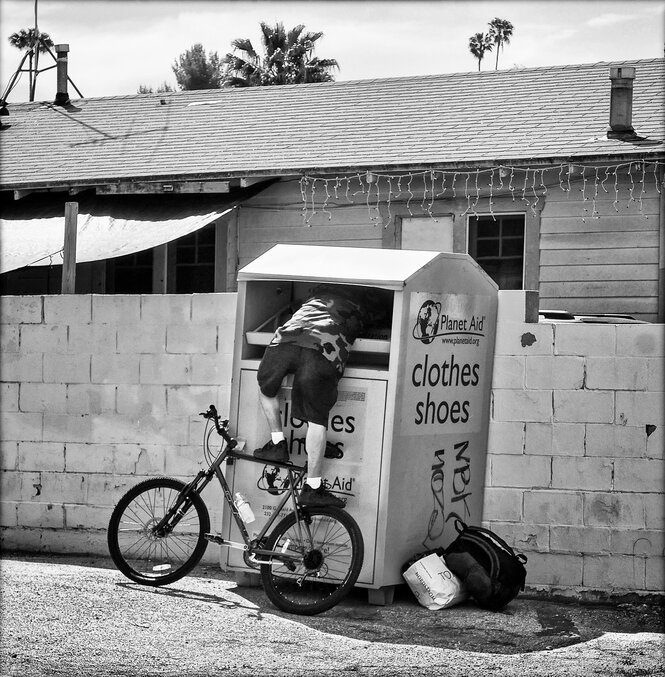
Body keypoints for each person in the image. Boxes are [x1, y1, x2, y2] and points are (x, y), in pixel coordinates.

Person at [253, 283, 390, 507]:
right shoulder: (368, 302)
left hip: (285, 340)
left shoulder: (315, 295)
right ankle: (313, 487)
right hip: (324, 349)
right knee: (316, 419)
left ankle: (277, 443)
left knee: (266, 388)